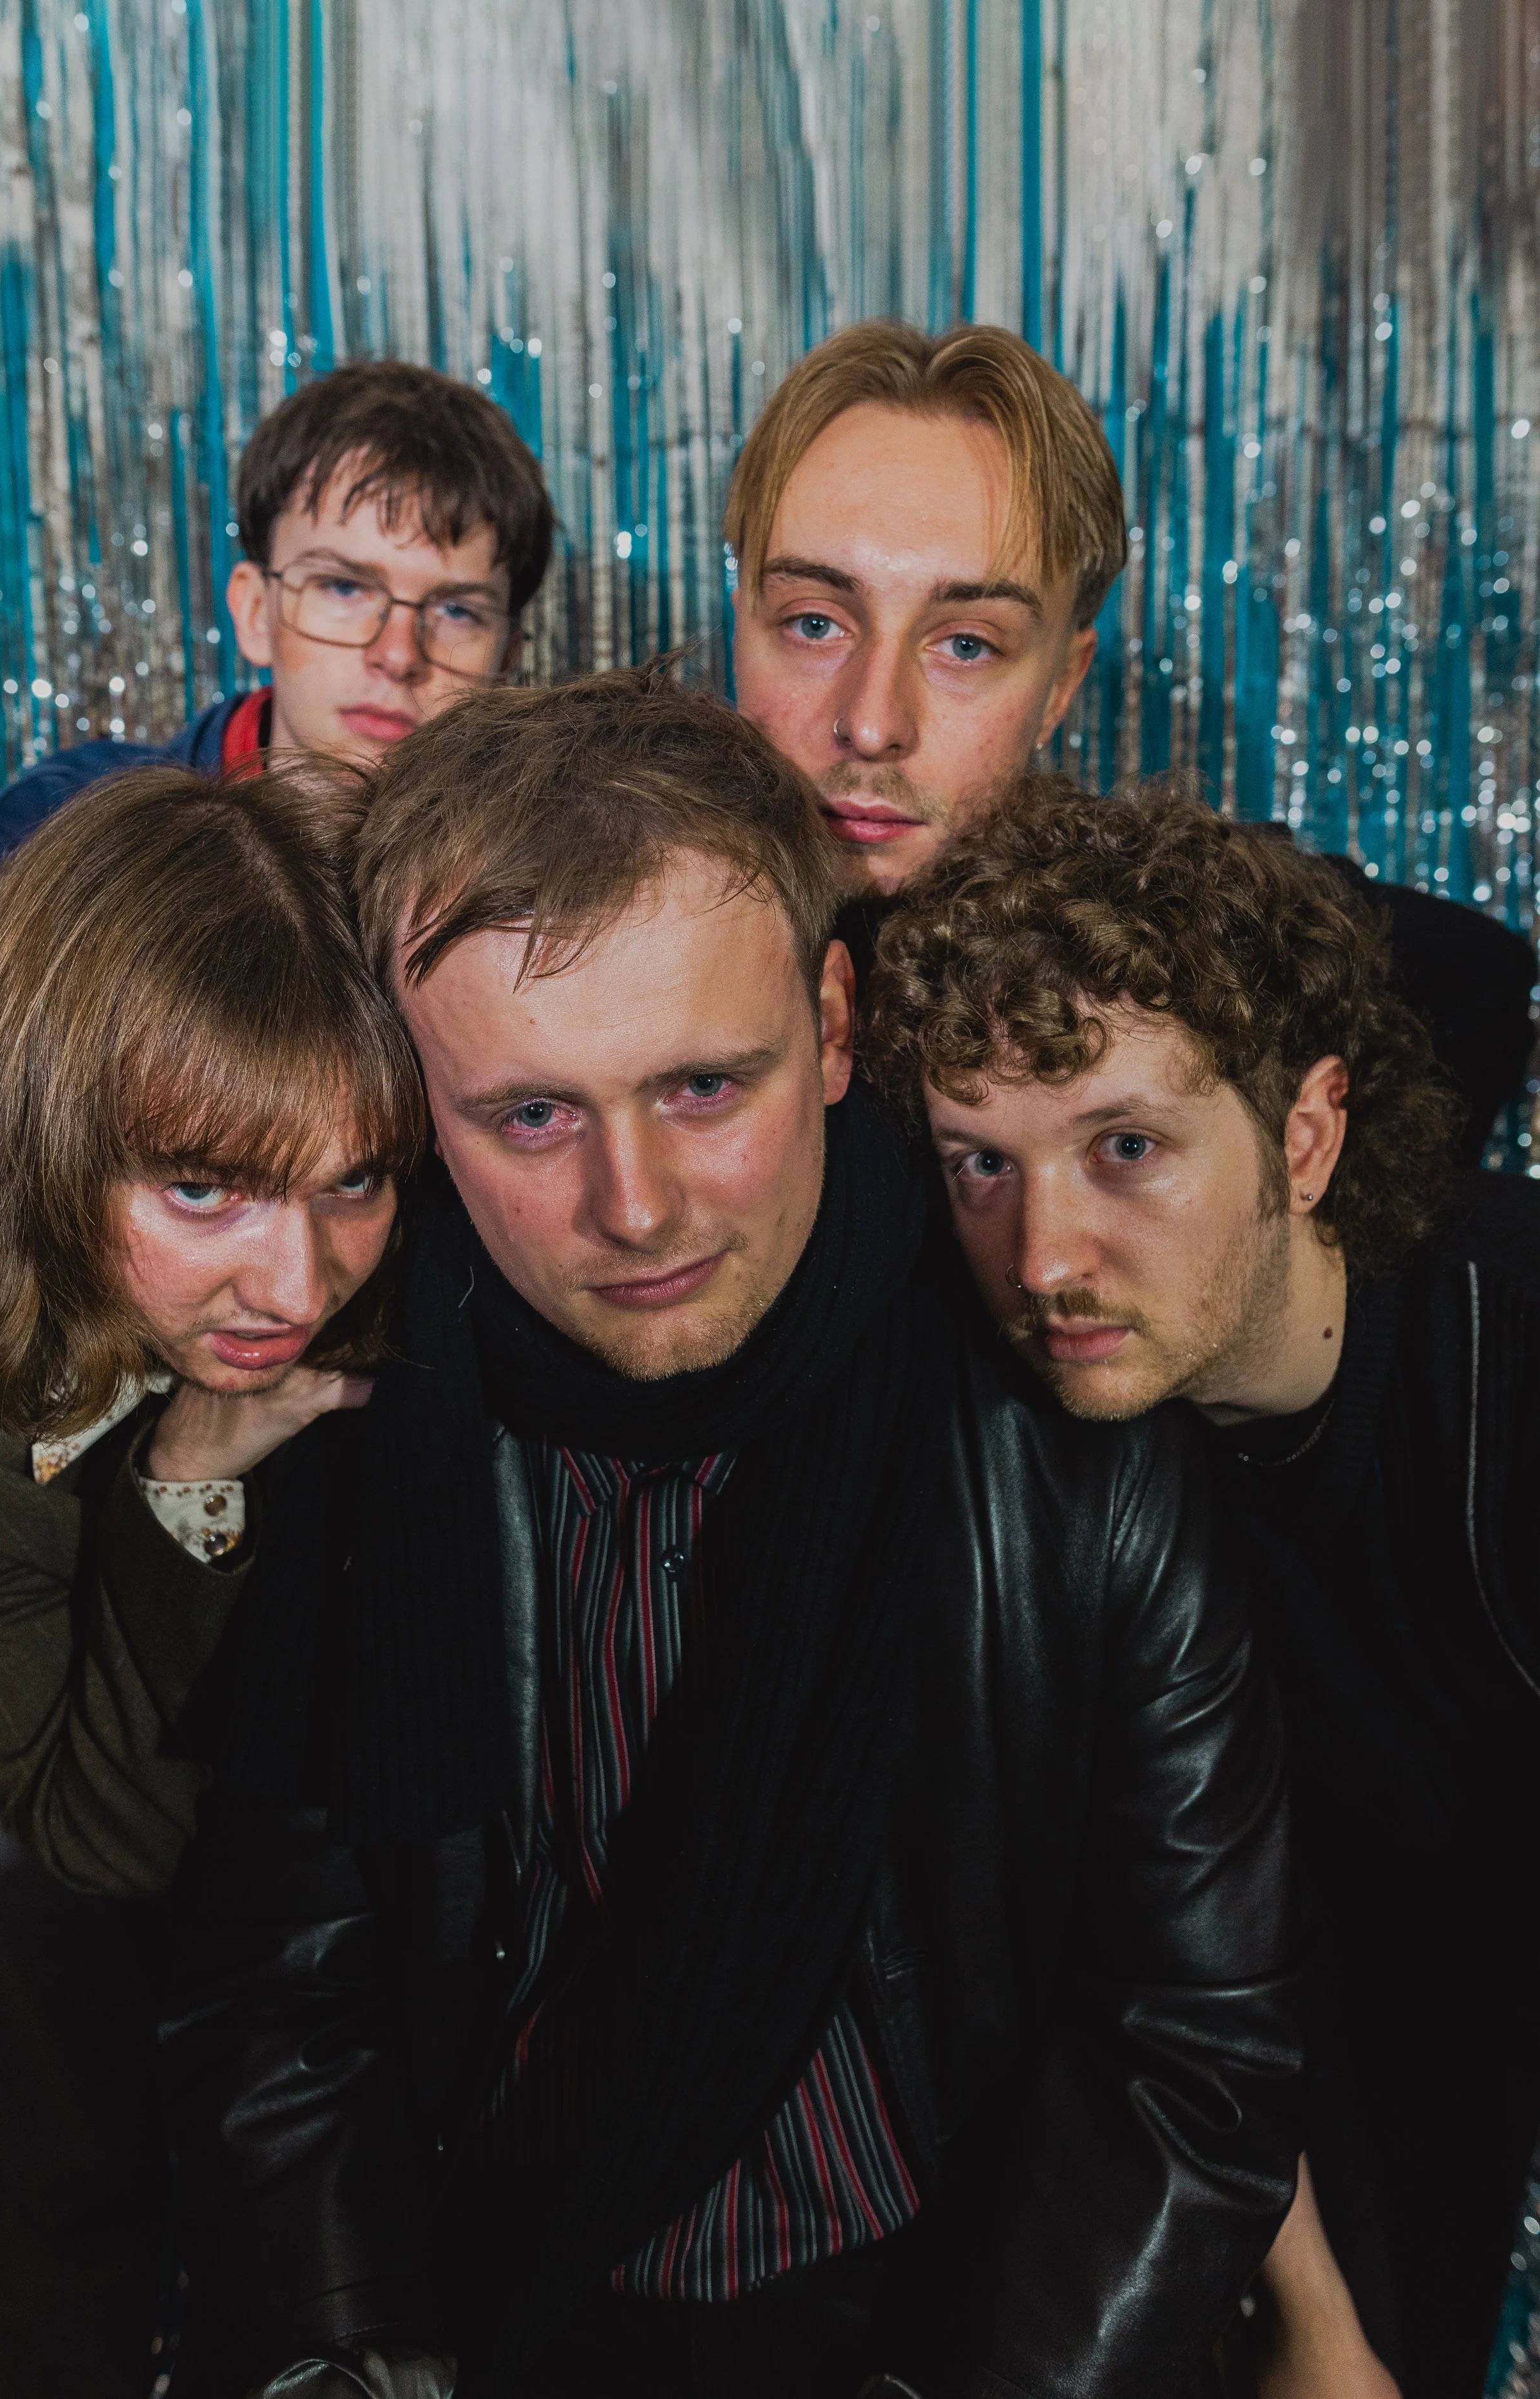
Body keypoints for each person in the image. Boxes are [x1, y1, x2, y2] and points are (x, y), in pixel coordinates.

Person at [121, 670, 1305, 2399]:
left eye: (700, 1086)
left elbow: (1190, 2047)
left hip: (949, 2328)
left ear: (833, 1028)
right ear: (416, 1098)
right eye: (530, 1113)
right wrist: (351, 2360)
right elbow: (271, 1998)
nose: (635, 1205)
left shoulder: (1068, 1442)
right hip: (490, 2313)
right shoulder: (332, 1425)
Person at [862, 771, 1540, 2399]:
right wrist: (1314, 2320)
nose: (1044, 1255)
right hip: (1260, 2007)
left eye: (1127, 1146)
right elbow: (1169, 1940)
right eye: (980, 1164)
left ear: (1304, 1134)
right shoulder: (1041, 1419)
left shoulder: (1506, 1349)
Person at [0, 765, 423, 2397]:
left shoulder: (450, 1246)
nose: (295, 1283)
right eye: (203, 1188)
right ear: (52, 1131)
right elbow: (97, 1832)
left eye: (354, 1178)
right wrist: (193, 1469)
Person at [728, 317, 1535, 1158]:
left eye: (967, 645)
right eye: (814, 623)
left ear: (1062, 685)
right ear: (741, 622)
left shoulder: (1141, 938)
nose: (871, 724)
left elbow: (1473, 976)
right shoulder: (630, 915)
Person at [0, 355, 554, 899]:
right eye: (343, 587)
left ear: (505, 661)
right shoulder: (55, 834)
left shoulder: (544, 881)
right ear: (257, 613)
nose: (396, 655)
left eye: (456, 612)